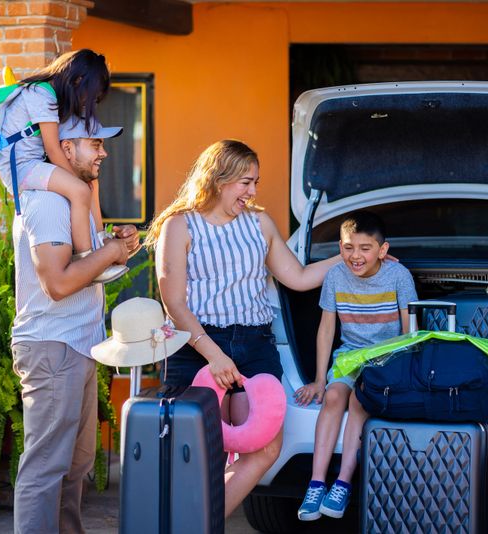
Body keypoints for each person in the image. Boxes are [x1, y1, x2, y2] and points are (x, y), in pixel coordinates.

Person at [143, 139, 342, 518]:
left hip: (254, 344)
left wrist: (350, 258)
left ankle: (197, 524)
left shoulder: (259, 223)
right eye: (245, 183)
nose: (253, 191)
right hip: (197, 346)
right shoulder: (179, 225)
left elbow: (298, 277)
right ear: (218, 179)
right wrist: (214, 356)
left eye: (256, 183)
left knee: (265, 446)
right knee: (200, 452)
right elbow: (175, 303)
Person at [10, 118, 141, 534]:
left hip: (79, 346)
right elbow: (59, 284)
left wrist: (119, 244)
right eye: (94, 143)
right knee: (46, 466)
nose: (103, 152)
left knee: (76, 464)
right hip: (52, 347)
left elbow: (91, 262)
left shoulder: (76, 199)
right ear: (66, 148)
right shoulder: (49, 203)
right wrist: (111, 252)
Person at [294, 210, 416, 521]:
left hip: (385, 357)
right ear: (340, 247)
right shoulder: (335, 275)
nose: (355, 256)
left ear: (382, 250)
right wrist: (319, 380)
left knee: (359, 400)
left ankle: (343, 482)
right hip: (349, 355)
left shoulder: (399, 276)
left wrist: (400, 372)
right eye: (348, 248)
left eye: (365, 248)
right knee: (334, 397)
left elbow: (408, 331)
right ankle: (316, 484)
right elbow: (326, 329)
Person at [0, 48, 126, 283]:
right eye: (90, 94)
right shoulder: (41, 94)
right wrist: (77, 182)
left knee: (90, 185)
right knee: (80, 190)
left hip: (33, 164)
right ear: (78, 80)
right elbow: (53, 148)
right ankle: (87, 259)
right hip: (23, 167)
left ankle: (100, 243)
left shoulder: (48, 96)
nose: (88, 102)